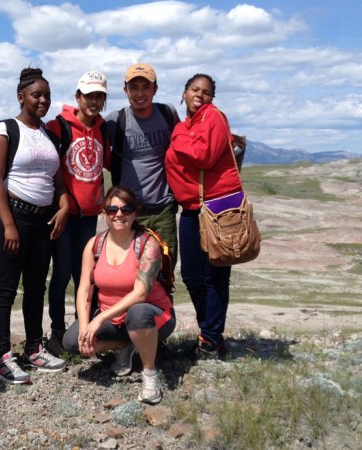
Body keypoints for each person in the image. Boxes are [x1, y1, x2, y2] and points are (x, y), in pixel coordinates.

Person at [0, 67, 70, 384]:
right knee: (6, 289)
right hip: (15, 216)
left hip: (43, 221)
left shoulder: (49, 136)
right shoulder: (5, 129)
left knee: (37, 287)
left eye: (47, 95)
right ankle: (2, 356)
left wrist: (63, 206)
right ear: (21, 96)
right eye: (37, 95)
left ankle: (34, 348)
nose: (43, 100)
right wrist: (8, 224)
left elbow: (57, 180)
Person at [62, 186, 176, 404]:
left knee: (137, 313)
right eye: (112, 209)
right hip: (113, 319)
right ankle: (122, 346)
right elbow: (85, 288)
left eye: (126, 209)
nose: (119, 215)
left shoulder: (148, 243)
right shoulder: (94, 245)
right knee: (72, 341)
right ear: (104, 214)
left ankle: (149, 375)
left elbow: (141, 293)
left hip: (154, 316)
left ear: (135, 212)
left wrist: (100, 319)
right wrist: (86, 325)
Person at [165, 73, 242, 359]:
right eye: (195, 89)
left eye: (207, 92)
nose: (200, 95)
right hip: (192, 210)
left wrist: (177, 134)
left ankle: (211, 339)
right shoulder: (188, 124)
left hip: (217, 208)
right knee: (192, 276)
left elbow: (204, 156)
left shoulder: (212, 117)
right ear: (183, 93)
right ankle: (208, 332)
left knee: (215, 276)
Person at [45, 71, 110, 356]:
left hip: (89, 215)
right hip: (65, 214)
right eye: (89, 95)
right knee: (61, 274)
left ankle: (82, 329)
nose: (94, 101)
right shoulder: (59, 127)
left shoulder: (103, 128)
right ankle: (57, 332)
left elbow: (106, 164)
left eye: (100, 96)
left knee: (85, 276)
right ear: (78, 96)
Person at [106, 63, 180, 264]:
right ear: (125, 90)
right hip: (128, 211)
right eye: (134, 87)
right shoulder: (115, 121)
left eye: (145, 87)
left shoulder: (167, 114)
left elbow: (184, 146)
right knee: (129, 270)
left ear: (155, 89)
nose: (140, 93)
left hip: (163, 209)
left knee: (165, 271)